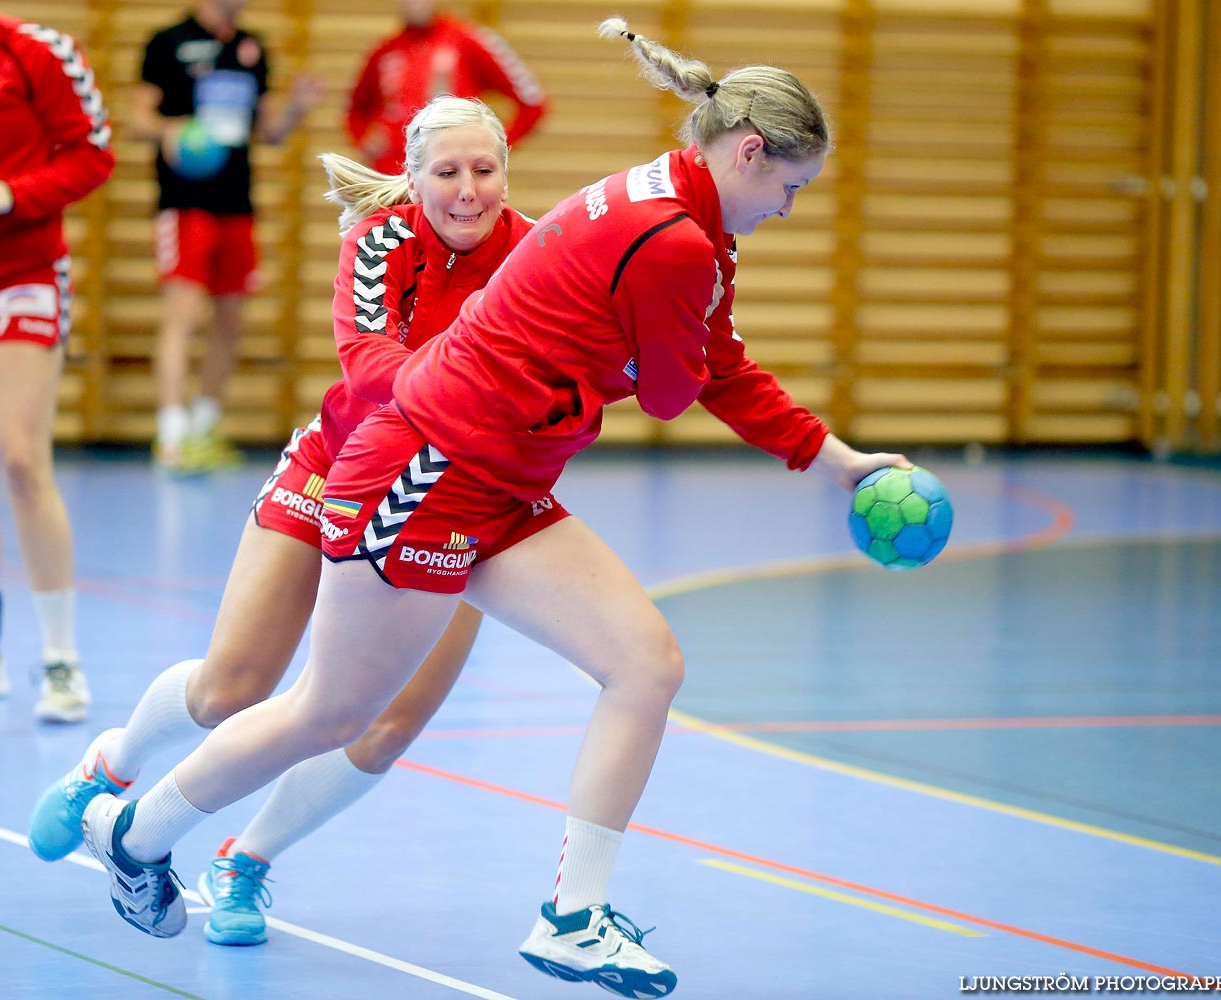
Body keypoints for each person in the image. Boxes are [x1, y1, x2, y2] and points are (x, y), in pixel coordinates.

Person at [73, 18, 912, 998]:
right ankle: (138, 834)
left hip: (505, 480)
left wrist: (839, 461)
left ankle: (573, 916)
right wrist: (650, 365)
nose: (787, 209)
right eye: (787, 188)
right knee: (330, 708)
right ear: (748, 151)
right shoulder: (677, 241)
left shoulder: (670, 200)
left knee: (646, 662)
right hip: (424, 471)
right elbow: (685, 388)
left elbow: (708, 365)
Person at [28, 95, 531, 946]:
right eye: (446, 171)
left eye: (484, 170)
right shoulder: (383, 243)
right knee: (235, 685)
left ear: (506, 172)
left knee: (386, 725)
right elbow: (373, 376)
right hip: (341, 470)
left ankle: (244, 863)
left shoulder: (539, 255)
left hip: (470, 501)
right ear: (413, 178)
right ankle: (111, 764)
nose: (468, 191)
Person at [129, 0, 324, 472]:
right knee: (183, 313)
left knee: (230, 319)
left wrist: (296, 108)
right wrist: (170, 130)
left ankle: (204, 425)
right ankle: (171, 434)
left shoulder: (250, 47)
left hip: (237, 202)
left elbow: (269, 131)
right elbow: (138, 120)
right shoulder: (168, 41)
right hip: (185, 202)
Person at [0, 13, 115, 722]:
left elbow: (93, 155)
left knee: (18, 456)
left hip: (25, 272)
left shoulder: (35, 52)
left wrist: (13, 195)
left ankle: (62, 661)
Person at [347, 0, 546, 174]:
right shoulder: (385, 50)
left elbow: (532, 103)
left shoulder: (469, 40)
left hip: (448, 178)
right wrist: (363, 139)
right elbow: (355, 109)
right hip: (389, 177)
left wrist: (492, 150)